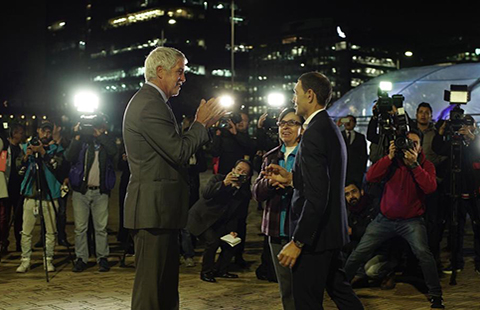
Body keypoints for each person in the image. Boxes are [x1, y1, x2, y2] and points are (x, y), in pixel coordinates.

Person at [122, 46, 224, 310]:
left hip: (161, 210)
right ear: (159, 72)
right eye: (180, 71)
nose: (183, 78)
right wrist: (200, 125)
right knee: (151, 291)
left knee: (164, 289)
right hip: (152, 210)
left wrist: (200, 127)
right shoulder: (148, 104)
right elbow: (178, 151)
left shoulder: (156, 103)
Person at [264, 72, 363, 309]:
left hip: (315, 239)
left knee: (306, 303)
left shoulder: (315, 133)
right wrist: (292, 179)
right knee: (342, 294)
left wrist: (298, 242)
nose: (294, 99)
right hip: (329, 233)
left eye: (296, 93)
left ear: (310, 94)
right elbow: (323, 181)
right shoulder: (328, 126)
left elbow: (318, 195)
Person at [344, 129, 445, 309]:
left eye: (415, 143)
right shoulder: (392, 162)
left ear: (420, 147)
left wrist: (415, 166)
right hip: (385, 219)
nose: (410, 146)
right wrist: (388, 157)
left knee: (424, 254)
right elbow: (371, 177)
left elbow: (430, 188)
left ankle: (436, 295)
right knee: (359, 252)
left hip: (411, 221)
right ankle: (340, 288)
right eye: (407, 142)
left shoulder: (425, 164)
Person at [253, 107, 304, 310]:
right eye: (283, 123)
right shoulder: (271, 156)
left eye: (292, 123)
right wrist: (270, 184)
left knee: (305, 286)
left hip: (300, 229)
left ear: (302, 128)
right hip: (275, 227)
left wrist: (291, 181)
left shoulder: (307, 156)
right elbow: (257, 192)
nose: (286, 127)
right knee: (286, 288)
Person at [64, 113, 117, 273]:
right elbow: (68, 156)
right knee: (80, 228)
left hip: (100, 191)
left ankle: (102, 258)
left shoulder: (104, 141)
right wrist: (77, 136)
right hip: (81, 191)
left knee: (101, 228)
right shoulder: (80, 142)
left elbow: (113, 151)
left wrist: (100, 136)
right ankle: (81, 258)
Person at [187, 159, 252, 283]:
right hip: (201, 219)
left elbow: (237, 215)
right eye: (238, 170)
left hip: (218, 222)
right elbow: (206, 194)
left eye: (244, 172)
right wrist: (224, 184)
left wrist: (232, 231)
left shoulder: (243, 192)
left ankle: (221, 270)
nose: (240, 173)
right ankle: (206, 272)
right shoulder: (218, 179)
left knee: (233, 242)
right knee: (212, 242)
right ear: (233, 170)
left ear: (247, 177)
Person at [432, 115, 480, 275]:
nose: (465, 127)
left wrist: (472, 138)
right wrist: (441, 132)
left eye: (469, 124)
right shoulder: (455, 141)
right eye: (463, 124)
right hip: (457, 190)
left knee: (478, 227)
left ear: (474, 126)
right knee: (456, 228)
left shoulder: (476, 140)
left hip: (476, 192)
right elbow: (438, 149)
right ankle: (456, 262)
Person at [15, 121, 65, 273]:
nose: (46, 134)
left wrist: (44, 153)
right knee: (26, 230)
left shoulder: (56, 149)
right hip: (31, 193)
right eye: (43, 131)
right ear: (38, 131)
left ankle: (48, 259)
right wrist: (26, 157)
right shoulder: (24, 147)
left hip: (50, 194)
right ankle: (25, 260)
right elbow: (18, 169)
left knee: (51, 230)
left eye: (49, 131)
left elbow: (58, 167)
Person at [211, 110, 256, 267]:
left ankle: (238, 255)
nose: (240, 124)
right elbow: (214, 151)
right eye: (238, 121)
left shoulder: (242, 137)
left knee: (240, 221)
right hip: (226, 182)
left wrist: (236, 133)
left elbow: (251, 149)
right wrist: (217, 132)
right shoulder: (222, 135)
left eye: (243, 121)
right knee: (223, 219)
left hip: (242, 186)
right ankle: (223, 257)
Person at [411, 102, 448, 272]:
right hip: (413, 185)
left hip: (432, 183)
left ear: (431, 115)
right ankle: (412, 261)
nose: (423, 115)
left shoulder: (436, 134)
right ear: (416, 114)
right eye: (421, 112)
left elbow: (443, 155)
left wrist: (431, 168)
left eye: (427, 112)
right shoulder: (410, 134)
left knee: (433, 223)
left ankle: (434, 258)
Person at [1, 123, 26, 253]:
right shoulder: (5, 148)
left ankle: (19, 243)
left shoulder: (22, 148)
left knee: (19, 217)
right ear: (14, 133)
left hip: (19, 188)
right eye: (20, 133)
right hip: (7, 187)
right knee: (5, 218)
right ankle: (4, 242)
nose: (22, 135)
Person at [339, 115, 368, 187]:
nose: (348, 123)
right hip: (342, 171)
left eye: (351, 121)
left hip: (356, 172)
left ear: (355, 123)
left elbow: (364, 154)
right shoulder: (338, 135)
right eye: (346, 121)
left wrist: (362, 169)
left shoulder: (360, 137)